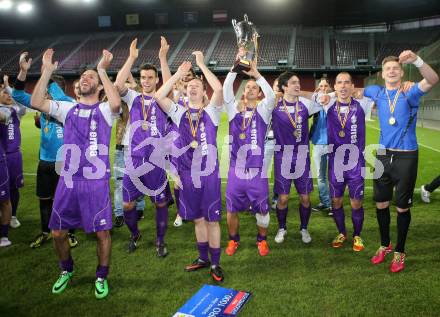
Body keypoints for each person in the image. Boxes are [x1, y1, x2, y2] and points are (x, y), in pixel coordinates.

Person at [30, 48, 121, 299]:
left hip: (96, 182)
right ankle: (66, 270)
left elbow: (115, 103)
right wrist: (47, 71)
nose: (85, 78)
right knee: (58, 232)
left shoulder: (104, 110)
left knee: (102, 233)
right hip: (69, 181)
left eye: (91, 77)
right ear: (76, 87)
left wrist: (102, 69)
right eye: (83, 77)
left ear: (99, 85)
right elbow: (36, 102)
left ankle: (101, 276)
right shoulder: (66, 109)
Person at [361, 51, 438, 272]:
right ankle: (385, 245)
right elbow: (352, 91)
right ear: (382, 74)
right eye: (388, 69)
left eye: (396, 68)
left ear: (402, 72)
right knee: (381, 203)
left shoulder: (409, 93)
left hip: (406, 156)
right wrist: (324, 94)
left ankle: (400, 251)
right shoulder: (376, 91)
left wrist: (417, 60)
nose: (392, 71)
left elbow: (432, 80)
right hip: (383, 155)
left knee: (402, 207)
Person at [155, 53, 225, 282]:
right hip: (187, 174)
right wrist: (178, 75)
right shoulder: (178, 113)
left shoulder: (212, 112)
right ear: (185, 91)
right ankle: (203, 258)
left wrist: (202, 66)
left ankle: (215, 263)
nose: (193, 88)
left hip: (208, 174)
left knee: (212, 219)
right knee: (197, 218)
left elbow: (220, 90)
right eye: (189, 86)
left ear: (203, 92)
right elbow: (159, 95)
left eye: (197, 86)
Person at [11, 52, 79, 249]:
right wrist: (23, 72)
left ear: (55, 89)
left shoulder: (69, 105)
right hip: (45, 160)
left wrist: (47, 75)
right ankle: (45, 232)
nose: (43, 95)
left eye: (48, 90)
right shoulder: (42, 106)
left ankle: (71, 233)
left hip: (65, 161)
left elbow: (58, 97)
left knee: (67, 200)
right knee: (45, 199)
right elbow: (17, 94)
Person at [114, 37, 173, 257]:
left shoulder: (163, 98)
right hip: (135, 160)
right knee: (128, 204)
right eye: (143, 77)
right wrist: (131, 58)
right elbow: (118, 86)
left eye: (150, 77)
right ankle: (135, 234)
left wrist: (163, 58)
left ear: (156, 79)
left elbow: (169, 82)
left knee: (160, 204)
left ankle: (160, 240)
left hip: (156, 161)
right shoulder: (134, 97)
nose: (146, 81)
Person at [223, 58, 276, 257]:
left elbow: (271, 96)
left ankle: (262, 240)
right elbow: (226, 89)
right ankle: (233, 240)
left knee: (262, 209)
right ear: (244, 92)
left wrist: (257, 75)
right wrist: (235, 68)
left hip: (257, 171)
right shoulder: (232, 111)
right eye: (248, 87)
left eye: (255, 87)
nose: (252, 89)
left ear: (258, 93)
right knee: (232, 209)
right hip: (236, 170)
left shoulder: (263, 111)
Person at [321, 72, 373, 252]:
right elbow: (306, 96)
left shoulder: (363, 104)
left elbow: (379, 91)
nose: (343, 86)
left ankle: (357, 235)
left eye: (347, 83)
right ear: (334, 86)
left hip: (356, 163)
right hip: (335, 163)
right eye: (339, 83)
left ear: (352, 86)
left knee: (356, 203)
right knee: (335, 201)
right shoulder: (326, 103)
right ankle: (342, 232)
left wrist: (360, 92)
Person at [272, 71, 323, 244]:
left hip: (302, 157)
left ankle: (304, 229)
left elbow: (325, 99)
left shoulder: (307, 104)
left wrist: (317, 95)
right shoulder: (274, 105)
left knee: (305, 197)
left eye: (298, 82)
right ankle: (282, 228)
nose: (297, 85)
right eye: (293, 83)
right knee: (283, 198)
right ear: (284, 87)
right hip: (282, 156)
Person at [1, 75, 25, 229]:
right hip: (1, 156)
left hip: (14, 156)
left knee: (14, 187)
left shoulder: (16, 110)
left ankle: (13, 215)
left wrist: (8, 86)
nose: (9, 96)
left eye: (10, 94)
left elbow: (22, 103)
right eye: (5, 93)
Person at [310, 78, 332, 215]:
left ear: (329, 88)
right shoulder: (315, 105)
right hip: (318, 143)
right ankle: (325, 202)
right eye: (321, 86)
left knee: (335, 176)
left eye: (325, 85)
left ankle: (334, 205)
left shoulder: (335, 103)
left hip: (333, 144)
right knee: (320, 176)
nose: (323, 88)